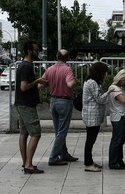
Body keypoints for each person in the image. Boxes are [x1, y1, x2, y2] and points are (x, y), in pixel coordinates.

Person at [15, 41, 47, 174]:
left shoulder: (22, 65)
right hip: (27, 105)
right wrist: (37, 81)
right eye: (36, 50)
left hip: (21, 103)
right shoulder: (26, 67)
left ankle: (25, 162)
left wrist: (38, 85)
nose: (37, 52)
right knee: (36, 133)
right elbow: (24, 87)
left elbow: (27, 87)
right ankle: (28, 164)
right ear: (29, 51)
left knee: (24, 133)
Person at [42, 49, 78, 166]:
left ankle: (64, 153)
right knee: (62, 131)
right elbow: (70, 84)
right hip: (64, 101)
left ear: (56, 57)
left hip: (53, 101)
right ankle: (53, 157)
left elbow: (42, 83)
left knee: (58, 130)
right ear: (67, 58)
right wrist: (73, 82)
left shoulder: (50, 69)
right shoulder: (67, 69)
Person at [81, 62, 110, 172]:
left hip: (93, 115)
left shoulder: (91, 82)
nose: (105, 75)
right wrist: (109, 92)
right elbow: (100, 99)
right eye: (104, 73)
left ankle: (90, 161)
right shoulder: (92, 83)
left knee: (91, 140)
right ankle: (88, 163)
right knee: (90, 140)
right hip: (91, 115)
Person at [107, 69, 125, 170]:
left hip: (123, 116)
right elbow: (122, 100)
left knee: (121, 140)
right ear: (121, 78)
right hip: (118, 116)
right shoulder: (113, 88)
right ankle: (113, 162)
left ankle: (119, 160)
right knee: (117, 140)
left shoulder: (119, 88)